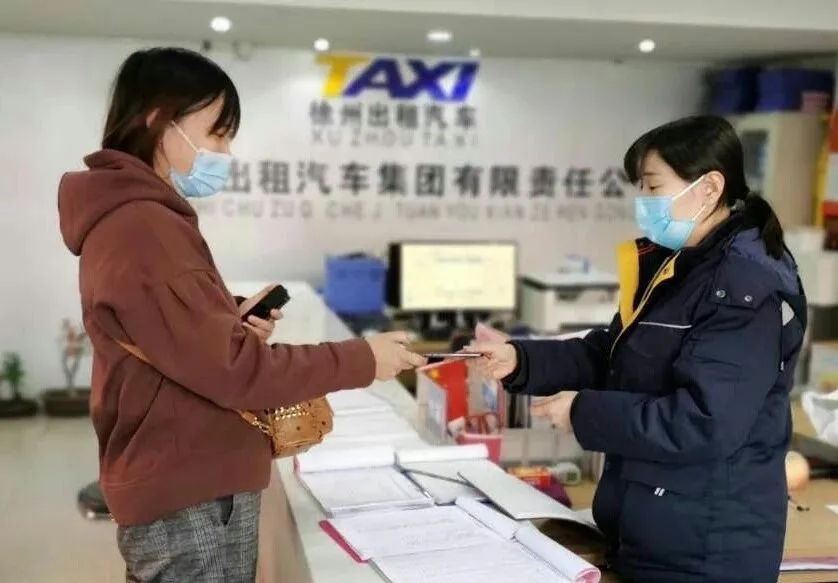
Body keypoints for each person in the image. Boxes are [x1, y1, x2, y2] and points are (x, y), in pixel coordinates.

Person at [57, 47, 426, 583]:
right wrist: (363, 358)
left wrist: (225, 317)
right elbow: (236, 372)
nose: (226, 152)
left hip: (184, 479)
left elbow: (167, 331)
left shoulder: (135, 218)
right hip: (191, 496)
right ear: (160, 121)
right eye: (217, 133)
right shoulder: (144, 227)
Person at [469, 115, 807, 583]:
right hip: (652, 531)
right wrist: (521, 359)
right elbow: (614, 356)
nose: (643, 201)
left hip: (706, 552)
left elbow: (705, 422)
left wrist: (583, 412)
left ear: (709, 188)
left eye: (653, 186)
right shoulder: (678, 266)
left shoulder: (745, 286)